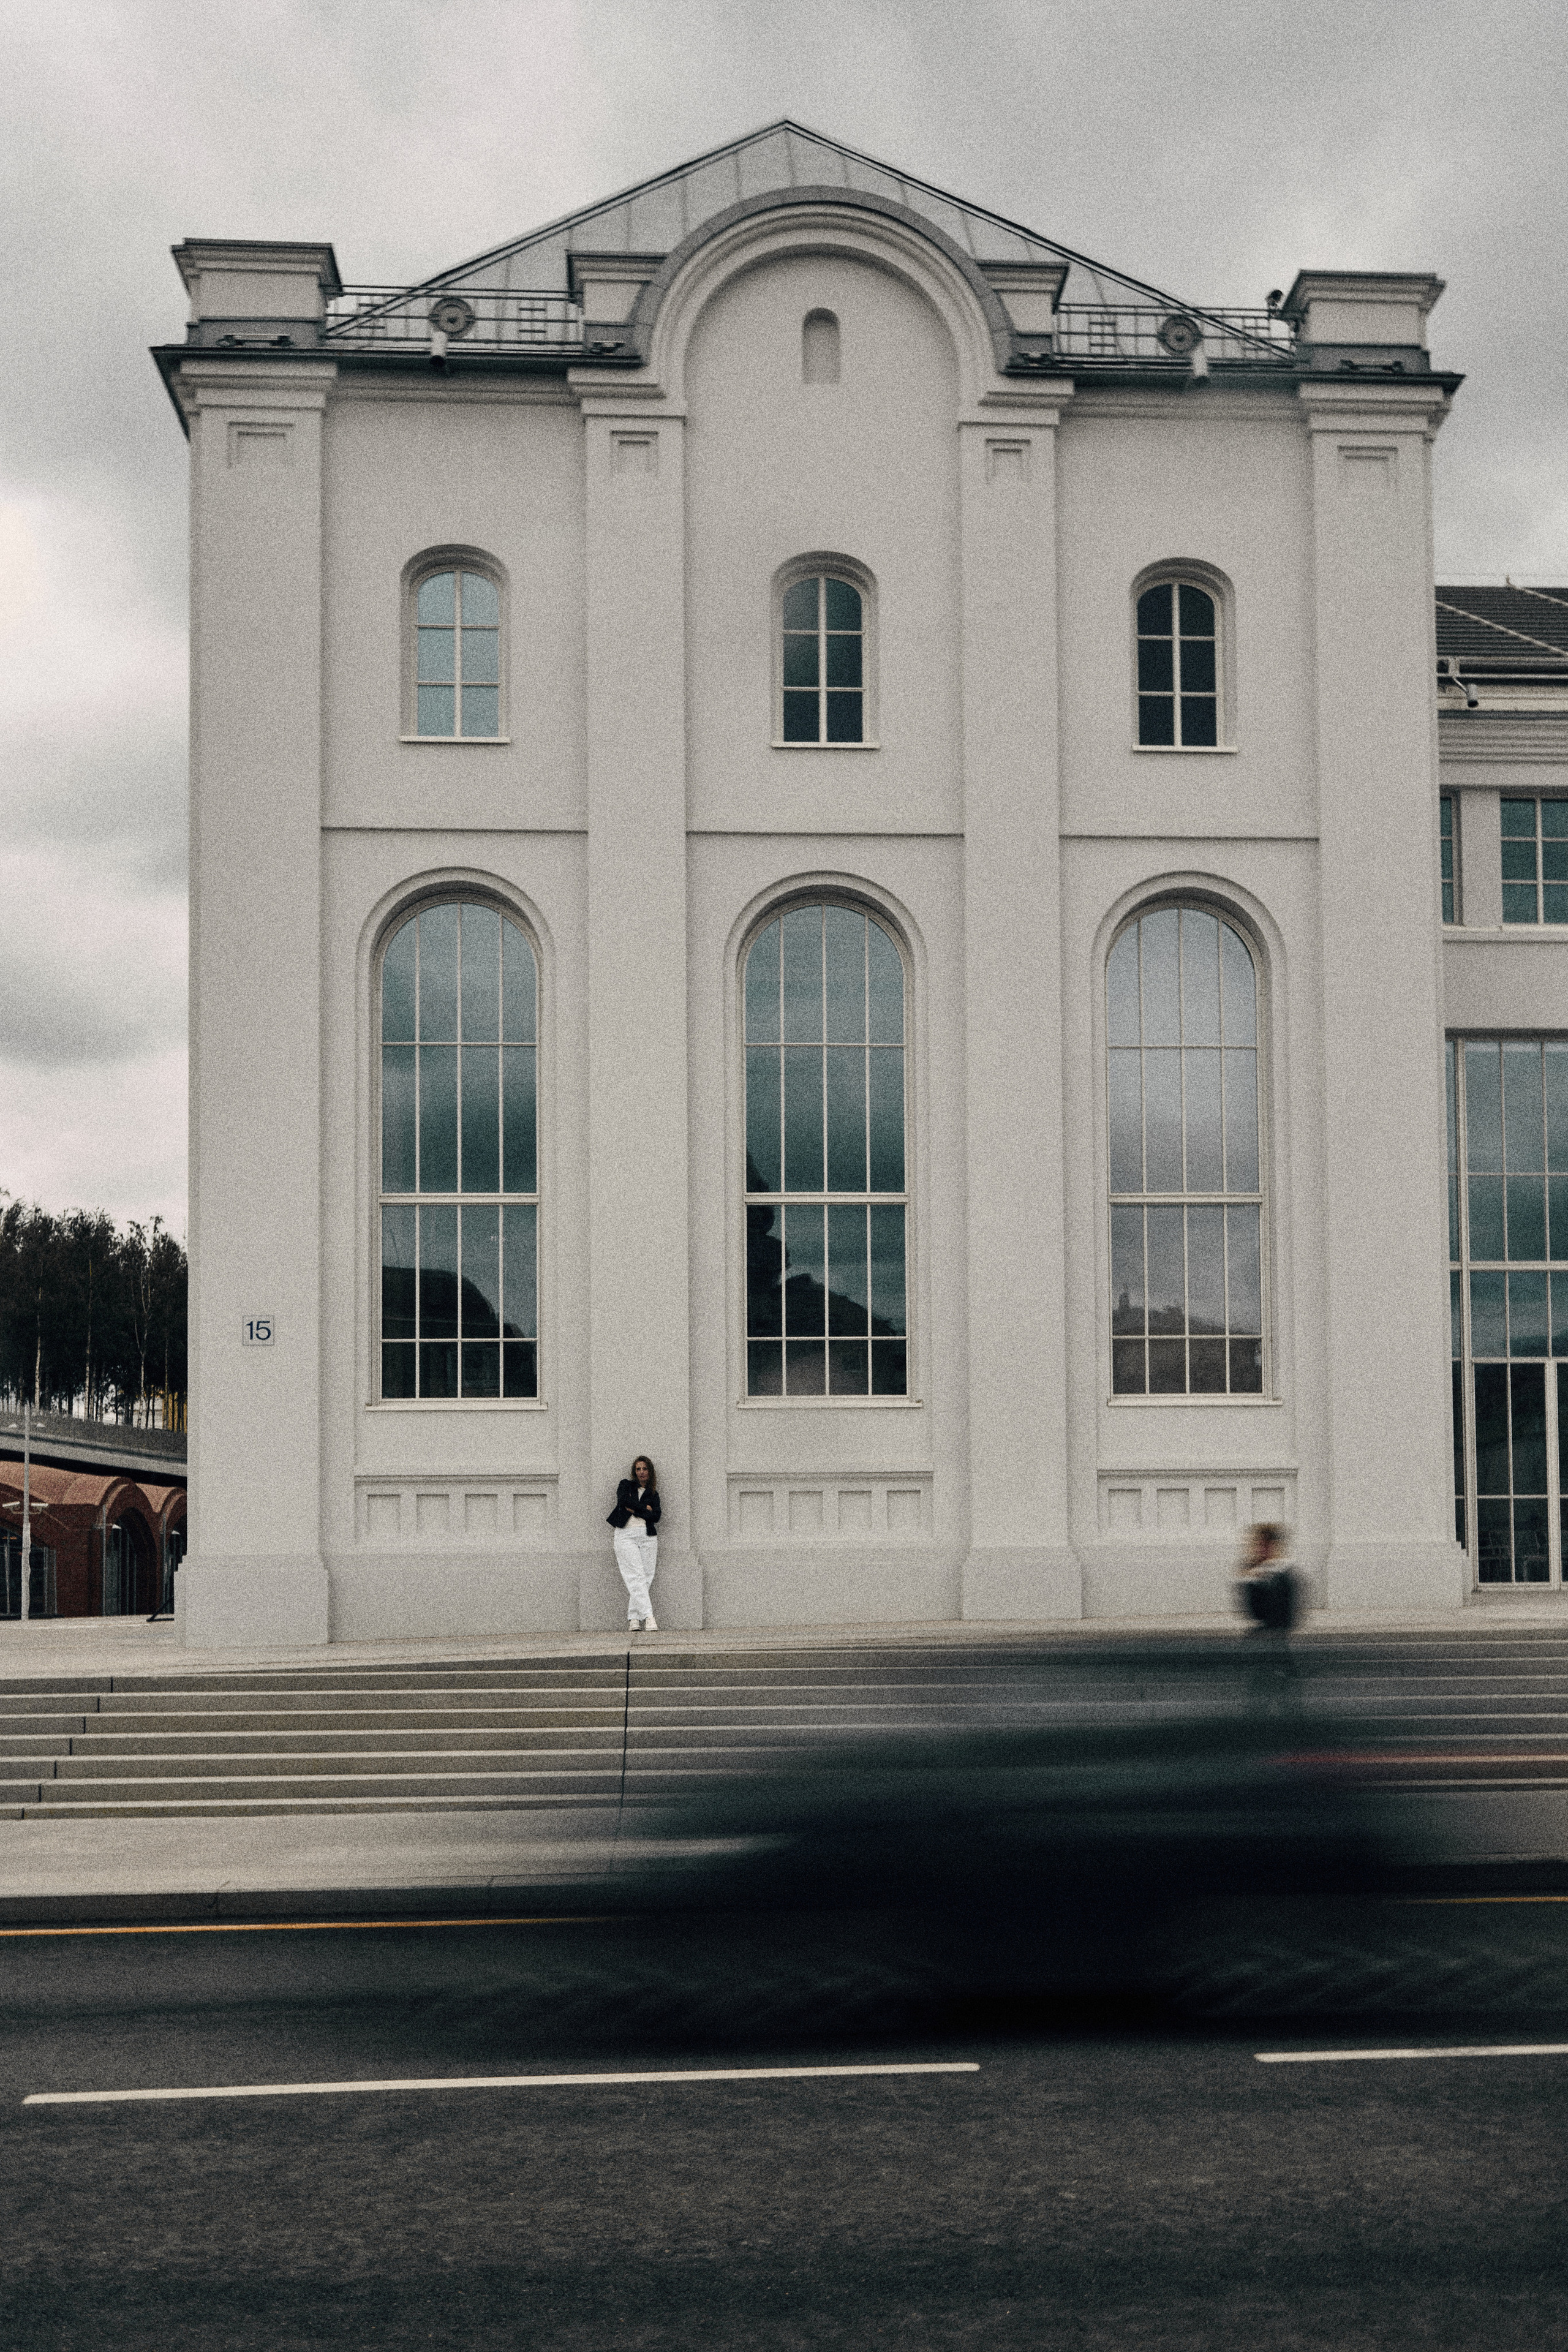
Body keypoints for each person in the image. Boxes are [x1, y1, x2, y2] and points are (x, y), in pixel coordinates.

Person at [1235, 1521, 1299, 1708]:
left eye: (1266, 1545)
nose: (1261, 1549)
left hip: (1275, 1638)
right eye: (1258, 1544)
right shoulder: (1253, 1572)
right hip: (1264, 1639)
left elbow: (1288, 1612)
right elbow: (1252, 1611)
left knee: (1284, 1695)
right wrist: (1253, 1580)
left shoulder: (1284, 1573)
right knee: (1259, 1695)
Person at [608, 1456, 661, 1632]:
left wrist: (636, 1509)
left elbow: (656, 1516)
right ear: (634, 1472)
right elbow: (624, 1501)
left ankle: (634, 1618)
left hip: (647, 1536)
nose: (641, 1472)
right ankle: (649, 1617)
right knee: (635, 1576)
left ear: (650, 1471)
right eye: (638, 1469)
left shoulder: (653, 1494)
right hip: (626, 1535)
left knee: (646, 1577)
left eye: (645, 1469)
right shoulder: (625, 1486)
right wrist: (645, 1509)